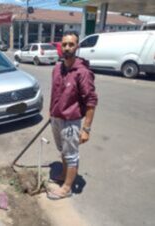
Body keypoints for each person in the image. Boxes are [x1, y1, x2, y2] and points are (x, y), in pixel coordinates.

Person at [48, 30, 98, 200]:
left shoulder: (82, 73)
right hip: (55, 119)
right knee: (62, 150)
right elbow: (55, 94)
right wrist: (51, 115)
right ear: (60, 47)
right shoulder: (57, 69)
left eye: (71, 44)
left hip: (71, 121)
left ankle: (67, 188)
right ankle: (63, 174)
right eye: (64, 44)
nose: (67, 47)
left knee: (71, 155)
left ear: (77, 46)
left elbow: (91, 102)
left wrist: (86, 129)